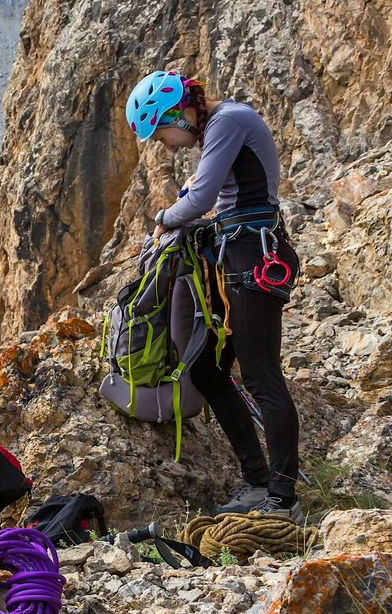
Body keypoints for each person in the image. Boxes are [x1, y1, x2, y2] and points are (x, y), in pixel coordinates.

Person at [126, 70, 302, 522]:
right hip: (238, 258)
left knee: (262, 377)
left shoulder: (227, 121)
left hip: (255, 259)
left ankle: (282, 499)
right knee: (206, 368)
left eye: (160, 133)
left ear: (177, 114)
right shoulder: (218, 129)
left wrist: (163, 219)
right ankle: (257, 481)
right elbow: (205, 190)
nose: (164, 144)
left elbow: (200, 198)